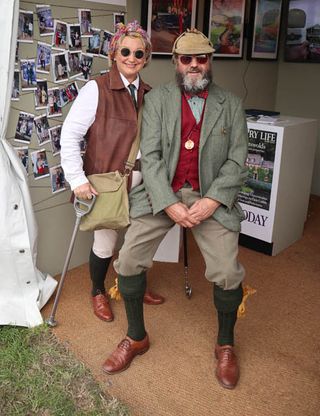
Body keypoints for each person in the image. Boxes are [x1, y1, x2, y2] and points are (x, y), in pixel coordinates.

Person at [102, 28, 248, 390]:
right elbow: (149, 158)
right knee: (130, 258)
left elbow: (237, 160)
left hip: (210, 196)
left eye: (202, 58)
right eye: (187, 59)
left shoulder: (231, 103)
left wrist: (212, 200)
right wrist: (168, 203)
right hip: (162, 194)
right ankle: (136, 336)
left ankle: (225, 343)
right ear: (176, 63)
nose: (194, 65)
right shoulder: (158, 101)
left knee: (228, 270)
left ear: (210, 61)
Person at [60, 21, 165, 324]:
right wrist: (78, 180)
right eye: (126, 51)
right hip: (107, 181)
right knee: (105, 243)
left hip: (144, 183)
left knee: (138, 240)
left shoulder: (150, 93)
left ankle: (132, 285)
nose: (132, 58)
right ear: (114, 54)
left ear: (146, 58)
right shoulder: (97, 88)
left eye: (139, 53)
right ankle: (97, 291)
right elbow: (69, 136)